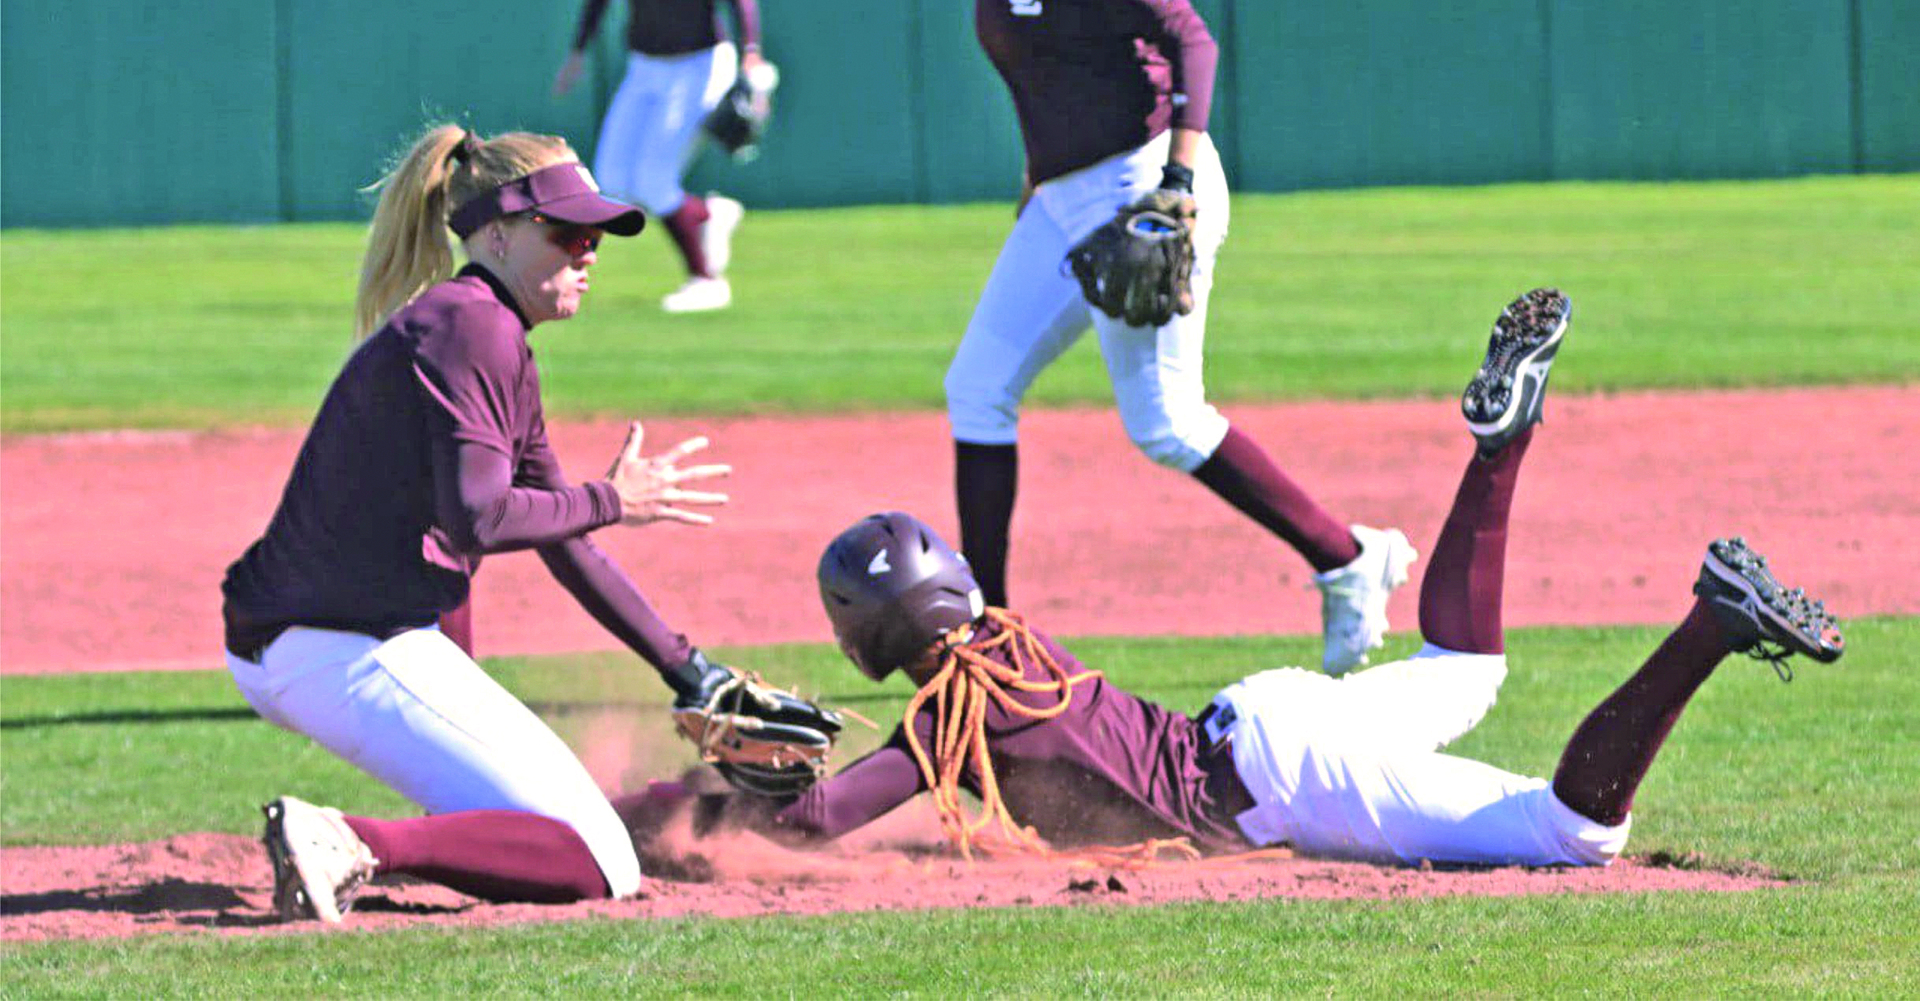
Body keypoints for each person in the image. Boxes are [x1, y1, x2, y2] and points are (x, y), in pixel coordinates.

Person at [688, 289, 1845, 868]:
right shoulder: (1004, 639)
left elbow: (818, 818)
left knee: (1569, 835)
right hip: (1271, 710)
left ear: (871, 634)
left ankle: (1712, 620)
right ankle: (1500, 448)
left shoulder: (946, 714)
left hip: (1285, 771)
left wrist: (693, 809)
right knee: (1465, 663)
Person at [223, 124, 768, 922]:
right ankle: (350, 840)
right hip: (333, 646)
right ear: (499, 235)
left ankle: (444, 830)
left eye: (598, 236)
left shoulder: (485, 328)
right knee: (599, 859)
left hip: (328, 634)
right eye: (569, 231)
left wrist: (690, 670)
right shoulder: (471, 328)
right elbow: (479, 517)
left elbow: (557, 539)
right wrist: (615, 497)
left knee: (557, 829)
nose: (589, 251)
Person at [949, 0, 1411, 675]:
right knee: (976, 387)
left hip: (1142, 181)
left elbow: (1190, 38)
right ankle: (986, 636)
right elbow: (1043, 81)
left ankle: (1351, 561)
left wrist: (1181, 181)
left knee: (1166, 423)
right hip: (1063, 195)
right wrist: (1037, 187)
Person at [553, 0, 766, 314]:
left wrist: (751, 49)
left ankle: (706, 280)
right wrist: (579, 50)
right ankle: (708, 214)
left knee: (652, 178)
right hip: (646, 65)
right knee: (609, 181)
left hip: (700, 62)